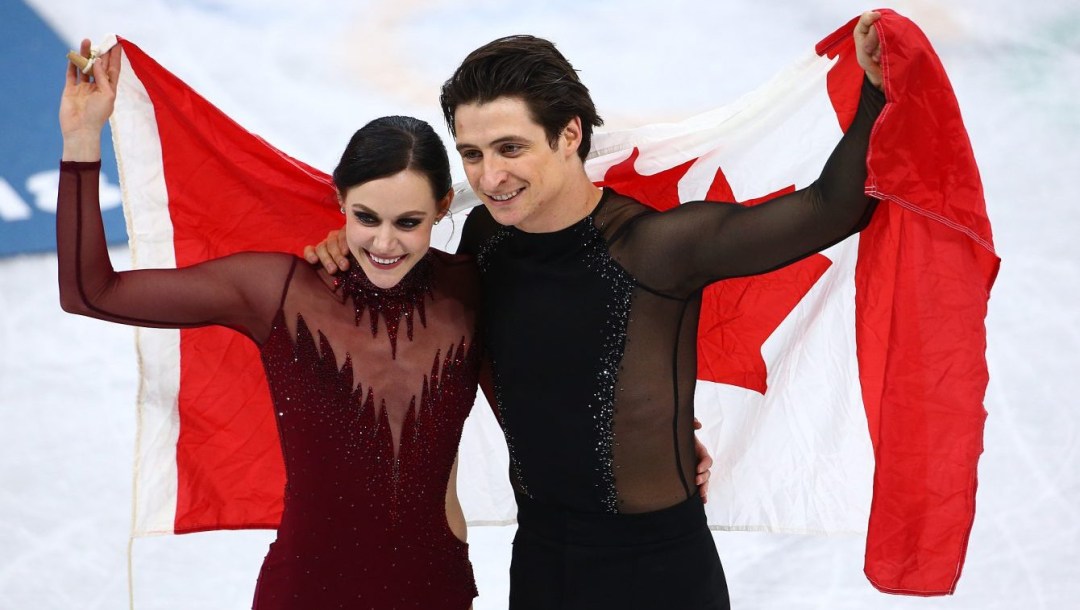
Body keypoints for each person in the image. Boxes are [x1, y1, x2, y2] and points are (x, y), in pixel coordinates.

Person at [307, 10, 887, 609]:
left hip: (659, 574)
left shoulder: (657, 249)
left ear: (569, 135)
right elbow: (402, 292)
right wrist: (344, 251)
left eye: (511, 148)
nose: (490, 175)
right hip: (539, 564)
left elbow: (829, 209)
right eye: (472, 153)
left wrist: (872, 91)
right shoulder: (485, 239)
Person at [58, 41, 481, 609]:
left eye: (408, 222)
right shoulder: (277, 290)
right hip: (307, 589)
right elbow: (92, 291)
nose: (384, 242)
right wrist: (81, 139)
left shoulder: (474, 287)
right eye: (365, 218)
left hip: (434, 588)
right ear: (339, 200)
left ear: (443, 206)